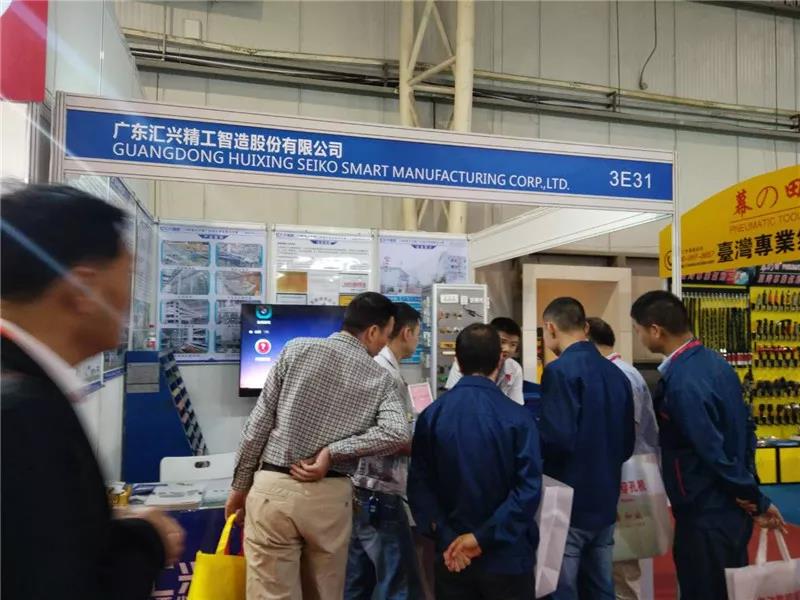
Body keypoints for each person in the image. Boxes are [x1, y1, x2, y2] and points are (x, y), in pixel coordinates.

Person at [1, 184, 185, 600]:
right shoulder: (21, 415)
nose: (130, 302)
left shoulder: (28, 392)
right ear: (83, 290)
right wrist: (147, 542)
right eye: (128, 278)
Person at [225, 291, 411, 600]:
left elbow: (257, 426)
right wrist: (334, 452)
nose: (384, 344)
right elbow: (397, 433)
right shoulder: (382, 378)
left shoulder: (295, 349)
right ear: (372, 332)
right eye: (386, 335)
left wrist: (239, 486)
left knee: (271, 593)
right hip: (330, 499)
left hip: (274, 491)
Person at [630, 291, 786, 600]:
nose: (639, 337)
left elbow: (709, 447)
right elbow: (744, 430)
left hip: (705, 507)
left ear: (655, 330)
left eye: (638, 330)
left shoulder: (683, 381)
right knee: (728, 586)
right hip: (725, 504)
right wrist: (748, 490)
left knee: (705, 587)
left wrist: (752, 496)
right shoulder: (716, 364)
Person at [408, 323, 542, 600]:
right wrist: (482, 538)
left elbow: (420, 486)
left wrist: (449, 536)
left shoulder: (432, 416)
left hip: (453, 555)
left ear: (457, 361)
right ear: (499, 361)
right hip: (507, 557)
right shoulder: (519, 418)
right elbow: (527, 490)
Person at [539, 298, 634, 600]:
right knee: (601, 587)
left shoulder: (559, 371)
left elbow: (557, 439)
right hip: (606, 498)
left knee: (563, 588)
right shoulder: (617, 373)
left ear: (550, 328)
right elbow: (627, 443)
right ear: (587, 327)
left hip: (568, 501)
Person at [345, 302, 423, 600]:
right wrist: (423, 445)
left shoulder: (374, 367)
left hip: (359, 489)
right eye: (418, 334)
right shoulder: (386, 374)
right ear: (406, 333)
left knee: (357, 582)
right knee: (397, 583)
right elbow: (395, 437)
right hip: (379, 491)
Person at [587, 317, 658, 600]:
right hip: (623, 477)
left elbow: (626, 432)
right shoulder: (621, 372)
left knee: (622, 567)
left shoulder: (619, 375)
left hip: (625, 480)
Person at [445, 316, 524, 405]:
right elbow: (453, 397)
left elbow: (516, 403)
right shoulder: (466, 361)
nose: (507, 349)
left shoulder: (515, 368)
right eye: (502, 342)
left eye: (513, 345)